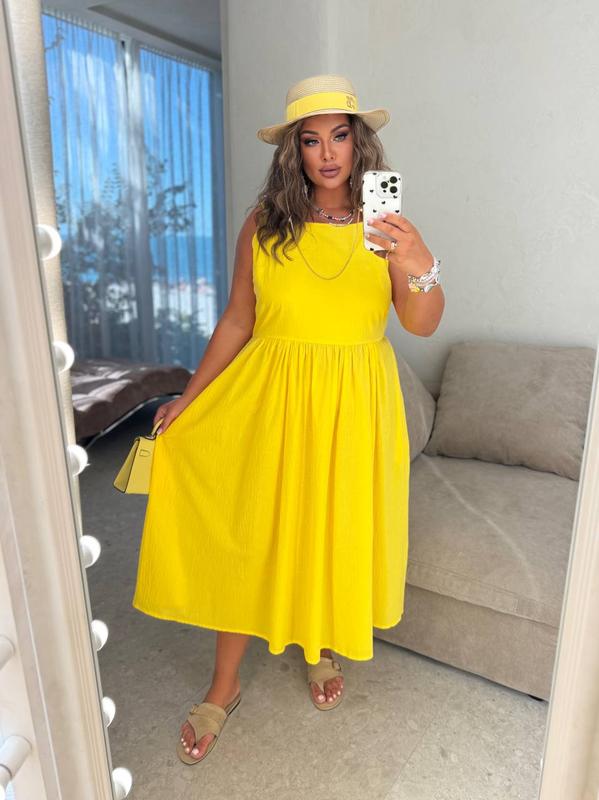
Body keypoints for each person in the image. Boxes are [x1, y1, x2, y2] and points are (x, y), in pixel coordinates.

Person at [131, 73, 445, 765]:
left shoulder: (385, 225)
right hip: (270, 396)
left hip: (353, 403)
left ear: (358, 144)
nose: (327, 153)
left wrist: (419, 262)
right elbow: (237, 320)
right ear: (293, 151)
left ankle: (319, 646)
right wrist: (190, 395)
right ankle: (224, 685)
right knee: (253, 532)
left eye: (340, 136)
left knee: (331, 527)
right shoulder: (264, 223)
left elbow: (421, 324)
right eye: (311, 139)